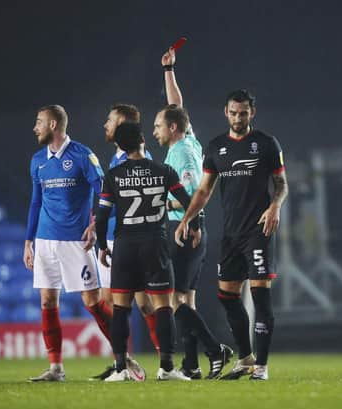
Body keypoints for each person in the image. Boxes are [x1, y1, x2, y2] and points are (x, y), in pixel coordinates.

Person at [23, 105, 144, 382]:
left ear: (53, 124)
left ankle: (123, 358)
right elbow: (35, 202)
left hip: (75, 241)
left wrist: (94, 223)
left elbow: (105, 190)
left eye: (39, 122)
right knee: (47, 301)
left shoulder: (82, 155)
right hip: (44, 240)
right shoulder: (37, 160)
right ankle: (55, 368)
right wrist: (29, 240)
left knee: (92, 301)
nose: (35, 128)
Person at [174, 89, 288, 381]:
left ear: (252, 113)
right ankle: (246, 357)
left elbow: (282, 185)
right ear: (226, 112)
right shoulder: (215, 148)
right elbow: (203, 191)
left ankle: (261, 366)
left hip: (259, 230)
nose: (239, 118)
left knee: (261, 296)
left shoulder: (266, 144)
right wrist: (187, 219)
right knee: (226, 295)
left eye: (244, 113)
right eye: (234, 113)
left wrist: (275, 206)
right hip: (231, 234)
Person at [96, 122, 200, 381]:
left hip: (125, 247)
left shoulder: (114, 175)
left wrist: (100, 245)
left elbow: (102, 215)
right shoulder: (163, 170)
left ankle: (121, 369)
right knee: (163, 307)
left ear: (119, 146)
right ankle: (166, 367)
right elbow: (189, 200)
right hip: (155, 246)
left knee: (121, 308)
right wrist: (194, 225)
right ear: (143, 139)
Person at [153, 47, 233, 379]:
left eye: (158, 125)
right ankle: (192, 365)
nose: (155, 129)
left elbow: (191, 196)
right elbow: (178, 109)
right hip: (188, 230)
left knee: (170, 301)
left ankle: (215, 350)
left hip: (182, 230)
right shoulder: (186, 141)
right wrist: (169, 70)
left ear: (172, 128)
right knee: (186, 299)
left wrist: (189, 219)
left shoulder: (183, 153)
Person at [90, 104, 161, 380]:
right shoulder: (117, 157)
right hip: (112, 237)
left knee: (142, 303)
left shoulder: (138, 159)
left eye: (109, 120)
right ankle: (124, 360)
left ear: (122, 123)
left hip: (128, 239)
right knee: (110, 301)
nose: (105, 124)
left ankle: (165, 361)